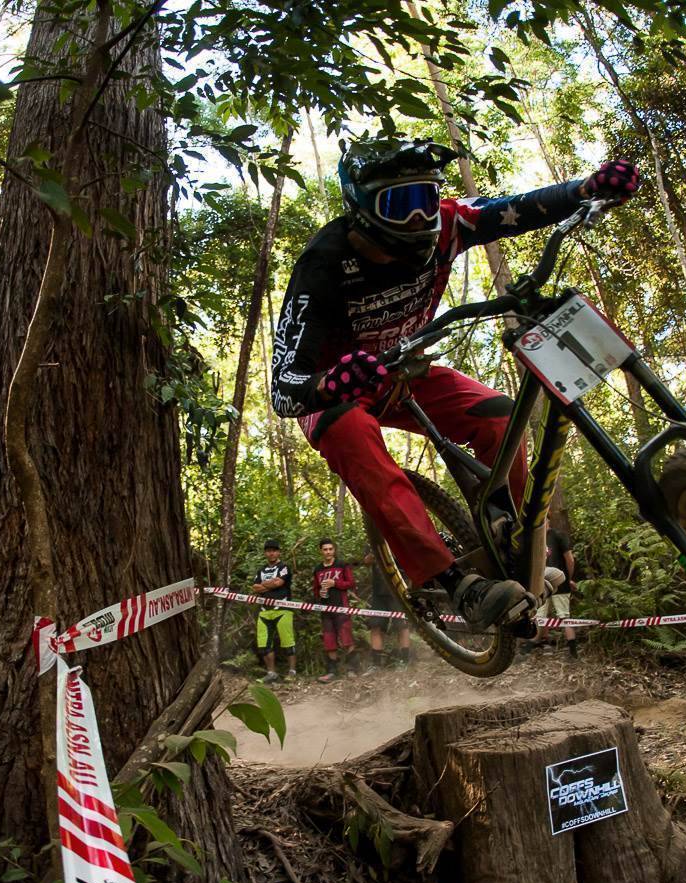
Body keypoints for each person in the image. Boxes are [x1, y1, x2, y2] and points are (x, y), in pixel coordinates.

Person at [269, 138, 639, 631]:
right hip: (335, 389)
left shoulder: (448, 223)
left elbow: (516, 209)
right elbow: (282, 388)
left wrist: (585, 189)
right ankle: (454, 585)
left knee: (501, 416)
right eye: (399, 205)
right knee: (351, 436)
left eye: (425, 198)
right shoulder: (323, 263)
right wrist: (329, 383)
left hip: (404, 373)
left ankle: (512, 538)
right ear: (359, 208)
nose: (420, 219)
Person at [310, 538, 356, 682]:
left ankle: (352, 669)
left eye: (330, 549)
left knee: (346, 638)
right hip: (325, 610)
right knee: (329, 641)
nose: (328, 552)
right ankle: (332, 672)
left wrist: (334, 583)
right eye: (325, 549)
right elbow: (316, 589)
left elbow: (351, 583)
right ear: (321, 551)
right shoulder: (318, 569)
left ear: (334, 550)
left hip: (341, 607)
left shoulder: (342, 565)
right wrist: (319, 594)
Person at [252, 538, 296, 682]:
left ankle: (292, 672)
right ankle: (271, 673)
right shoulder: (261, 570)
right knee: (264, 644)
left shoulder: (284, 567)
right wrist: (270, 584)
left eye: (274, 551)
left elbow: (279, 582)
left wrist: (264, 585)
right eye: (268, 551)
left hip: (283, 608)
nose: (271, 554)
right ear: (265, 553)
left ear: (278, 552)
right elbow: (255, 587)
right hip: (264, 610)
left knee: (288, 642)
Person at [362, 549, 411, 671]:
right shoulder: (372, 540)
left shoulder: (395, 537)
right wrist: (374, 553)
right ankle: (376, 664)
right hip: (378, 593)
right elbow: (366, 561)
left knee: (402, 626)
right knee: (375, 625)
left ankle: (405, 661)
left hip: (398, 591)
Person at [538, 526, 580, 658]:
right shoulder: (536, 537)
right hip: (542, 582)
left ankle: (572, 649)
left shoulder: (558, 535)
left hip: (559, 581)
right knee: (541, 615)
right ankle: (545, 643)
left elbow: (570, 559)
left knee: (564, 615)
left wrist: (569, 579)